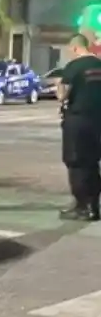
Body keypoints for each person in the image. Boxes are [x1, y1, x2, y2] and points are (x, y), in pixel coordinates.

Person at [57, 34, 101, 221]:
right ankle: (93, 205)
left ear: (75, 48)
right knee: (92, 163)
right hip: (98, 120)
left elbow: (62, 95)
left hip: (78, 121)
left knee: (76, 163)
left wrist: (58, 86)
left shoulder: (73, 66)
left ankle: (82, 206)